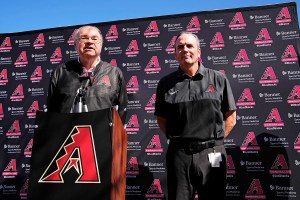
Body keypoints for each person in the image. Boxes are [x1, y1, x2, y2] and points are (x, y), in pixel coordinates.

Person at [154, 31, 236, 200]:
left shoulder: (218, 79)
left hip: (213, 154)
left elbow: (230, 117)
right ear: (175, 53)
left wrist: (214, 141)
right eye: (180, 47)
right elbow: (162, 120)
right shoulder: (165, 84)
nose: (185, 50)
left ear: (199, 52)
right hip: (180, 156)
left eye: (190, 46)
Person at [47, 25, 127, 123]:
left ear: (101, 44)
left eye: (94, 38)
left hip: (101, 137)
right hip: (67, 136)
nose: (90, 42)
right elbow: (51, 111)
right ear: (75, 44)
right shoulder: (61, 72)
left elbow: (122, 111)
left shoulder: (114, 73)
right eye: (84, 38)